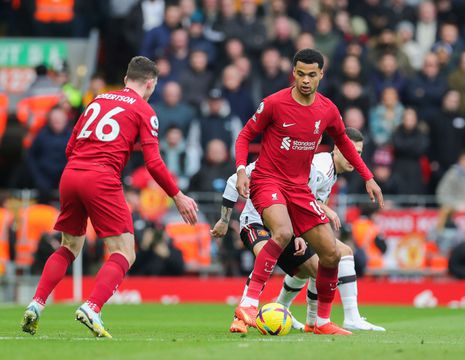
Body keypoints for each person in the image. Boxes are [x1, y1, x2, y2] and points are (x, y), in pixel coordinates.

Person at [21, 56, 198, 338]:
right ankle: (92, 307)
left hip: (71, 173)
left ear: (127, 78)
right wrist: (177, 196)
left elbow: (70, 146)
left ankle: (36, 303)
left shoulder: (97, 100)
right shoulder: (145, 110)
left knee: (69, 246)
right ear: (150, 84)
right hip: (101, 177)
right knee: (125, 251)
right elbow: (153, 163)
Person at [234, 49, 383, 335]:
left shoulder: (327, 109)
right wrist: (242, 170)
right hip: (267, 180)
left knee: (331, 253)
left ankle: (322, 322)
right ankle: (250, 302)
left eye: (311, 75)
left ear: (321, 75)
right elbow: (244, 137)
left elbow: (347, 144)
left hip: (299, 188)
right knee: (283, 232)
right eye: (300, 74)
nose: (305, 80)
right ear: (293, 72)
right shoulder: (274, 104)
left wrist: (368, 177)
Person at [212, 128, 385, 333]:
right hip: (256, 222)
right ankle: (241, 316)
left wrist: (301, 232)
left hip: (287, 227)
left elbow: (303, 203)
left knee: (315, 267)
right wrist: (224, 220)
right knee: (267, 254)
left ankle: (304, 318)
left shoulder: (314, 169)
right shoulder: (292, 161)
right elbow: (234, 181)